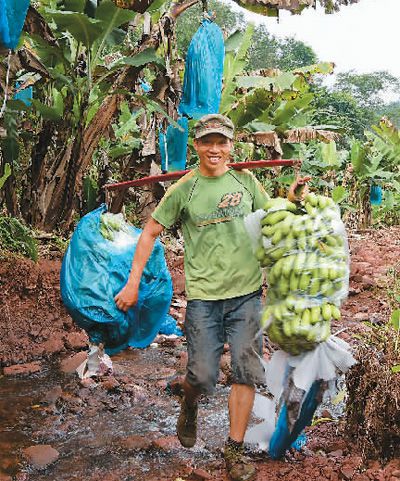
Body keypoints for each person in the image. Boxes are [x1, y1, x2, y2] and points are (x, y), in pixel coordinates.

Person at [115, 114, 307, 481]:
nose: (214, 149)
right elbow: (150, 231)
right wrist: (133, 282)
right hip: (203, 297)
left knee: (246, 372)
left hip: (247, 295)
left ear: (231, 146)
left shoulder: (247, 182)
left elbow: (274, 217)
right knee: (202, 378)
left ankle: (232, 451)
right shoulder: (184, 189)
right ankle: (189, 401)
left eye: (221, 142)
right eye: (207, 142)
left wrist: (292, 201)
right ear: (197, 146)